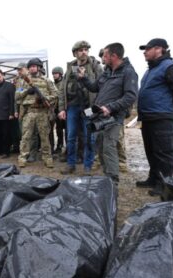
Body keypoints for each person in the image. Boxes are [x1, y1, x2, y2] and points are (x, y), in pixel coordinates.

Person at [136, 38, 173, 196]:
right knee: (151, 151)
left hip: (162, 117)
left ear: (159, 49)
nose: (144, 52)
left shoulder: (171, 67)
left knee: (163, 153)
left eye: (147, 48)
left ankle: (164, 184)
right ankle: (153, 178)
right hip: (148, 117)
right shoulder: (150, 69)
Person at [79, 43, 138, 184]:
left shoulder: (128, 72)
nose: (103, 57)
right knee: (99, 145)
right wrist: (83, 78)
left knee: (108, 146)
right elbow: (94, 87)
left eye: (105, 55)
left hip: (114, 117)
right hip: (100, 116)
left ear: (114, 56)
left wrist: (110, 107)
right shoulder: (107, 72)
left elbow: (130, 96)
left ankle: (113, 180)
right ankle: (107, 177)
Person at [58, 40, 103, 174]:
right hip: (72, 107)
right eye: (81, 50)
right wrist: (61, 108)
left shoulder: (95, 66)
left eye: (86, 50)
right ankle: (70, 164)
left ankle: (87, 166)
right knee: (71, 136)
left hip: (89, 107)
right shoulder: (70, 67)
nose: (84, 52)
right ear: (75, 53)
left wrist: (98, 107)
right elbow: (62, 90)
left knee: (89, 136)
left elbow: (102, 86)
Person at [16, 58, 57, 168]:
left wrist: (45, 99)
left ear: (39, 67)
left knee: (44, 137)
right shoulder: (23, 81)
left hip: (42, 112)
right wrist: (26, 91)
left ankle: (47, 158)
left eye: (34, 66)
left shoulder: (47, 80)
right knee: (26, 137)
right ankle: (22, 158)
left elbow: (55, 95)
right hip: (29, 112)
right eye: (30, 66)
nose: (32, 68)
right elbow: (17, 97)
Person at [51, 66, 65, 154]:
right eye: (53, 74)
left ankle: (63, 146)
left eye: (55, 74)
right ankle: (59, 145)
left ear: (60, 74)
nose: (54, 75)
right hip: (55, 109)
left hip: (62, 109)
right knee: (58, 129)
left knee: (65, 129)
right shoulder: (53, 84)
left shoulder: (63, 83)